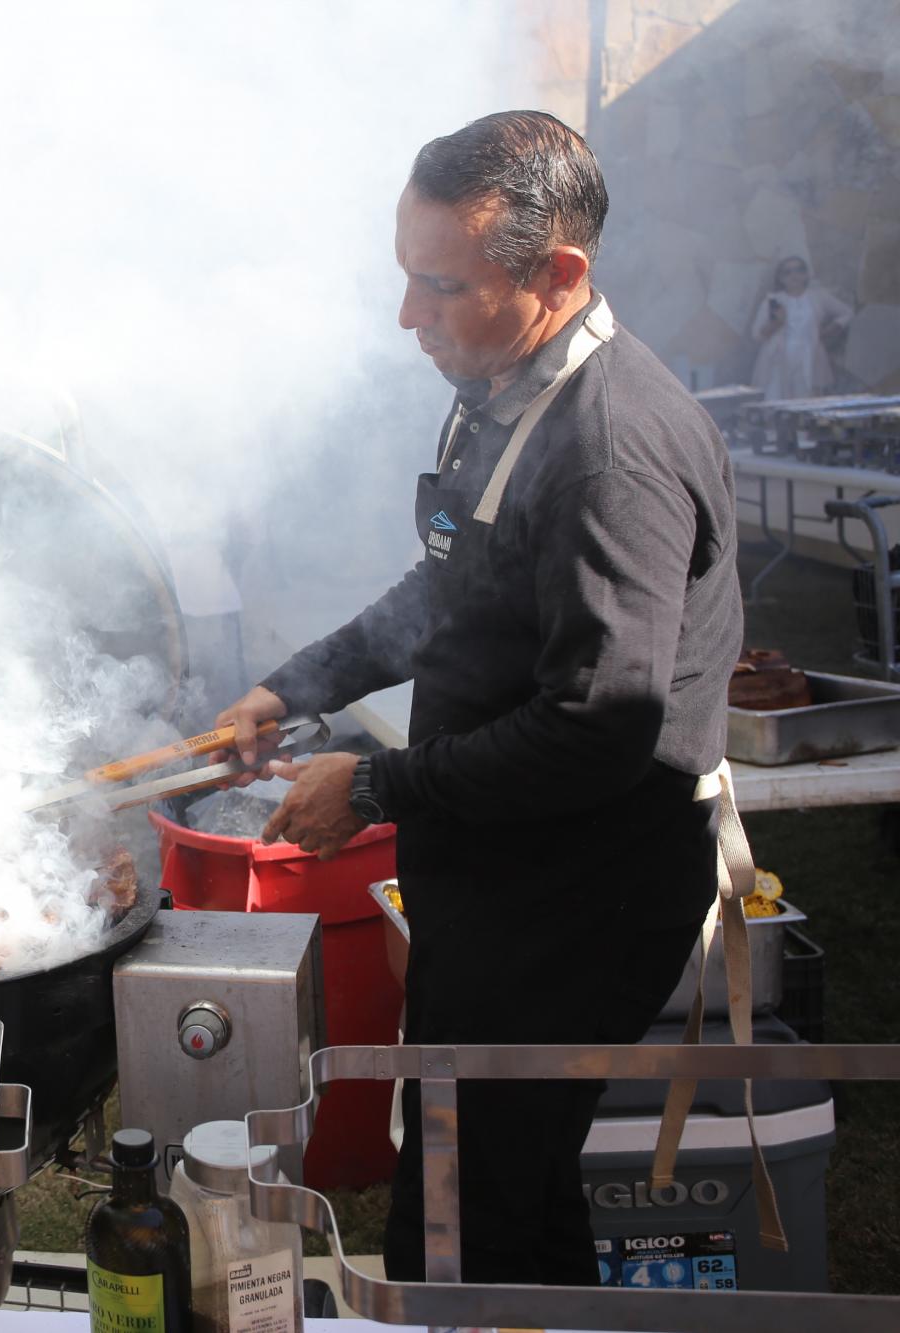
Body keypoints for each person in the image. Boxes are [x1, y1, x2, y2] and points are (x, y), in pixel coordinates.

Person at [214, 112, 741, 1284]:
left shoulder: (611, 450)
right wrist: (293, 686)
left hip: (578, 893)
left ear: (556, 275)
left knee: (460, 1213)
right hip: (502, 865)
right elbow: (447, 581)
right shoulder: (500, 379)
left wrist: (372, 782)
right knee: (499, 1183)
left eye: (439, 288)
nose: (409, 319)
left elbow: (599, 724)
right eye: (404, 279)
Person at [748, 255, 854, 401]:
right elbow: (756, 334)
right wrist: (777, 323)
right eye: (788, 272)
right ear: (780, 278)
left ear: (806, 274)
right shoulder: (773, 300)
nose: (794, 276)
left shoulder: (818, 297)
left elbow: (846, 313)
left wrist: (830, 330)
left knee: (807, 400)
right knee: (776, 400)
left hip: (809, 356)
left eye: (799, 270)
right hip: (778, 360)